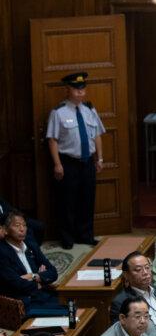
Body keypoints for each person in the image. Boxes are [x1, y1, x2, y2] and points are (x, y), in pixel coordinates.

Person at [45, 71, 104, 249]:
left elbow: (97, 135)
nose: (81, 92)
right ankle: (67, 238)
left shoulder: (89, 109)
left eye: (83, 89)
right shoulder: (58, 112)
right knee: (67, 202)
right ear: (68, 90)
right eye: (76, 89)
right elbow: (52, 139)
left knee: (87, 200)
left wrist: (99, 158)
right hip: (68, 162)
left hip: (87, 162)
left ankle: (86, 235)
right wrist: (57, 164)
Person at [0, 210, 65, 316]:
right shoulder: (2, 252)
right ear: (6, 230)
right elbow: (17, 284)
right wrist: (40, 280)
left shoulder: (30, 244)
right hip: (24, 303)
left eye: (24, 225)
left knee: (74, 305)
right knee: (66, 313)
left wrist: (34, 276)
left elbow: (53, 272)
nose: (22, 229)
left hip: (43, 294)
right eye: (17, 226)